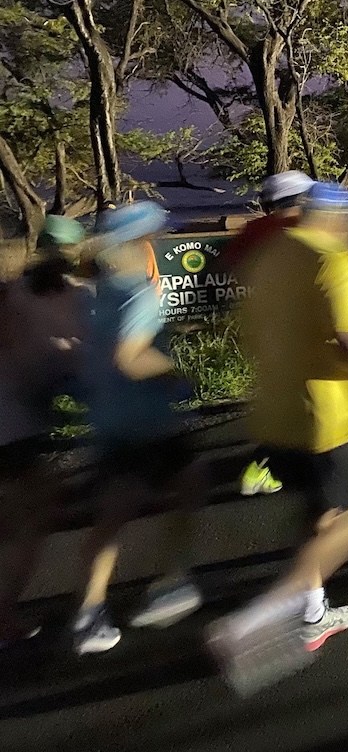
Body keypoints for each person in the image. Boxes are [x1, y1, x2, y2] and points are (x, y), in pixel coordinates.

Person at [207, 182, 348, 695]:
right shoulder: (336, 261)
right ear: (338, 220)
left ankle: (315, 609)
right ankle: (254, 622)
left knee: (319, 514)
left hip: (274, 409)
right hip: (328, 414)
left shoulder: (270, 256)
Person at [73, 201, 212, 655]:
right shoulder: (142, 293)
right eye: (153, 235)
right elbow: (130, 356)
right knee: (190, 486)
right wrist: (175, 375)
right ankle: (170, 581)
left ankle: (89, 615)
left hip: (108, 418)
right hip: (150, 422)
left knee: (111, 518)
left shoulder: (100, 290)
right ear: (140, 241)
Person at [0, 219, 88, 647]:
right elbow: (53, 360)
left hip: (16, 421)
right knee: (31, 520)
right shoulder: (63, 293)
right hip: (14, 424)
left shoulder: (15, 290)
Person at [237, 171, 316, 498]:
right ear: (298, 199)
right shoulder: (302, 227)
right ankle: (263, 465)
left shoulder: (254, 229)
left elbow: (230, 266)